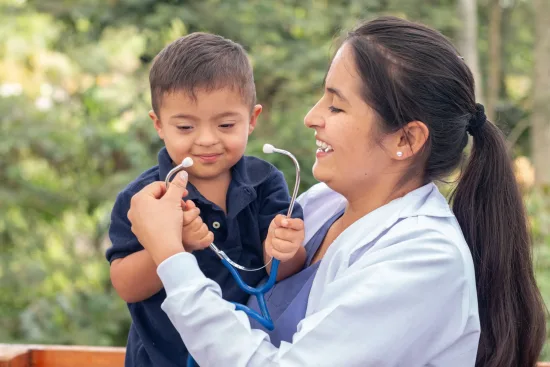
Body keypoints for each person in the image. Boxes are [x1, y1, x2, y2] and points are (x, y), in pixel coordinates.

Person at [126, 16, 546, 367]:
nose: (311, 118)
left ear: (407, 139)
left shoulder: (424, 259)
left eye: (336, 105)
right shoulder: (320, 205)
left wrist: (171, 257)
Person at [105, 33, 305, 367]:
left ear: (252, 119)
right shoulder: (144, 199)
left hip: (247, 352)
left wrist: (285, 250)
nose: (207, 140)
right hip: (163, 359)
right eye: (185, 127)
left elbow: (283, 271)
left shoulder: (266, 183)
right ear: (159, 125)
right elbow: (126, 285)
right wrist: (172, 245)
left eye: (226, 124)